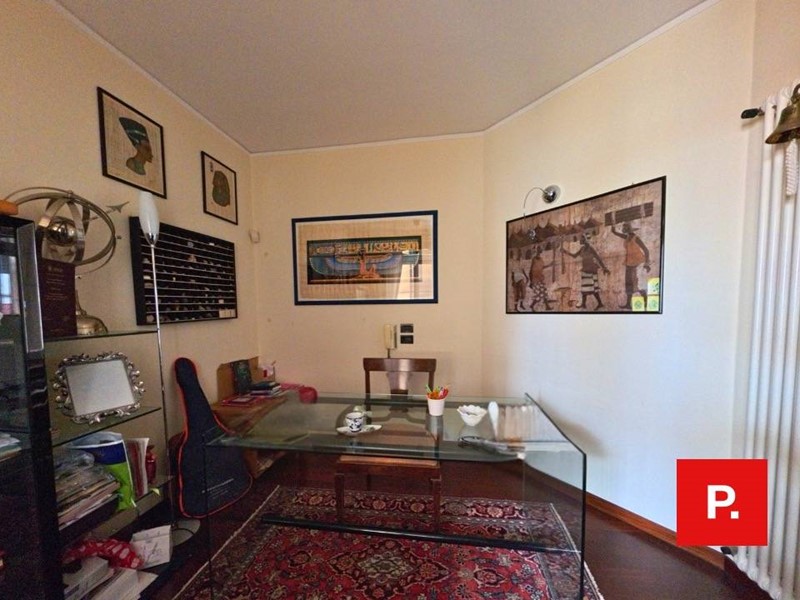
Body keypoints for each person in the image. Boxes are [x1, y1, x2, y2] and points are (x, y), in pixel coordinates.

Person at [563, 233, 609, 311]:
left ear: (585, 240)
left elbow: (598, 258)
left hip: (591, 270)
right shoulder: (582, 249)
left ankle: (598, 304)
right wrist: (565, 252)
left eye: (582, 238)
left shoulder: (590, 249)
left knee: (593, 289)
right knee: (585, 288)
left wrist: (604, 268)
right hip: (585, 270)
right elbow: (574, 256)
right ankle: (585, 304)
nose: (580, 240)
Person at [611, 222, 651, 309]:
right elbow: (616, 233)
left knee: (638, 284)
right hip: (629, 263)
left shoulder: (636, 238)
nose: (622, 229)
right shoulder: (627, 237)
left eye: (624, 228)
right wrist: (613, 229)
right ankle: (628, 304)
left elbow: (646, 250)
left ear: (628, 229)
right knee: (629, 284)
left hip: (638, 263)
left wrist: (647, 263)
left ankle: (646, 302)